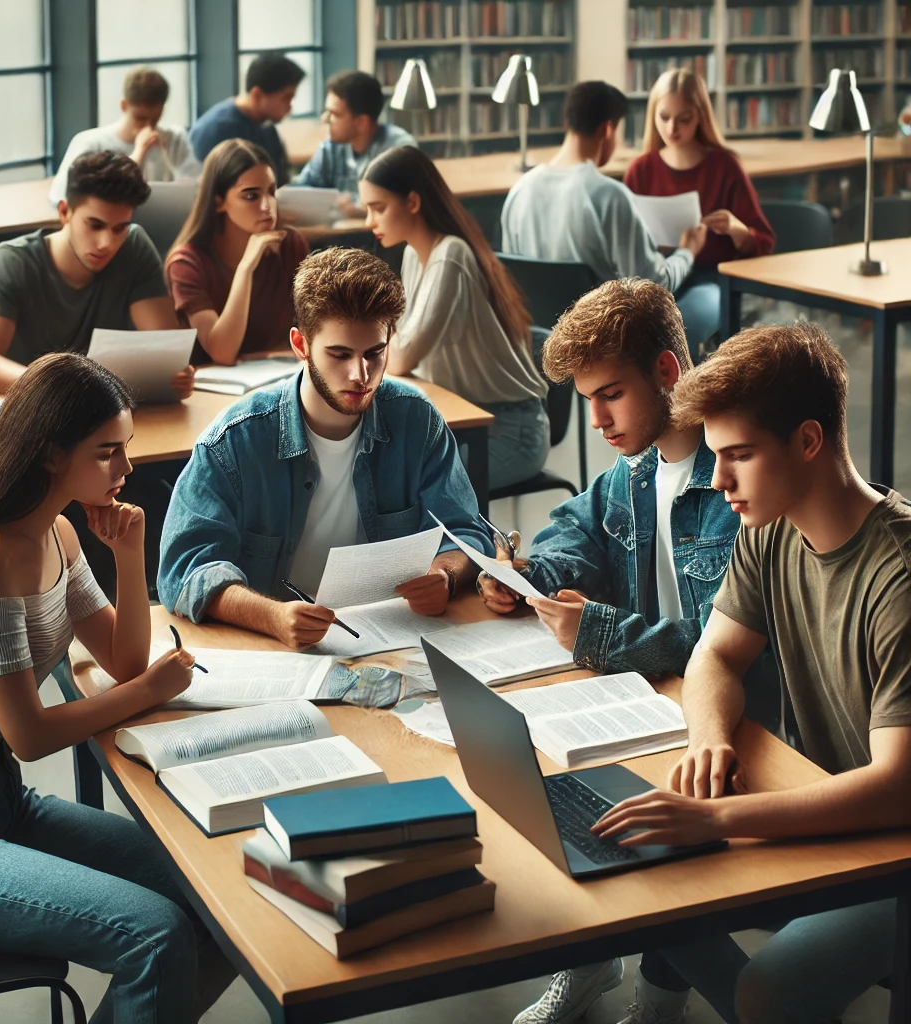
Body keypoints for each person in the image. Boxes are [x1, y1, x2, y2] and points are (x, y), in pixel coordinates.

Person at [0, 352, 237, 1022]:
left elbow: (125, 660)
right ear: (50, 454)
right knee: (156, 935)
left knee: (214, 888)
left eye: (124, 449)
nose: (126, 469)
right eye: (107, 452)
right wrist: (148, 690)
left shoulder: (60, 534)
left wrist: (129, 555)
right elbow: (29, 735)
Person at [588, 321, 911, 1024]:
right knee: (644, 884)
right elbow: (715, 654)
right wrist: (709, 739)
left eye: (739, 456)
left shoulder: (900, 580)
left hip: (898, 848)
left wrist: (716, 817)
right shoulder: (770, 527)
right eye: (714, 457)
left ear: (808, 441)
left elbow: (896, 788)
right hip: (837, 819)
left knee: (768, 991)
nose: (721, 481)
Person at [485, 277, 773, 1024]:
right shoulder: (634, 469)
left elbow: (725, 646)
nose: (597, 419)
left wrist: (601, 633)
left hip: (743, 722)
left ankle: (655, 995)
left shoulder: (739, 479)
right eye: (585, 399)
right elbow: (574, 530)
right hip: (655, 701)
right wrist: (526, 577)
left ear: (669, 373)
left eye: (609, 394)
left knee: (622, 811)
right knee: (548, 772)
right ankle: (593, 966)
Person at [158, 246, 491, 648]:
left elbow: (464, 530)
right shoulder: (233, 442)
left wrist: (445, 575)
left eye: (374, 353)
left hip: (390, 636)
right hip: (270, 644)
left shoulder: (418, 420)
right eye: (340, 354)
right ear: (301, 345)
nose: (360, 375)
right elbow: (185, 570)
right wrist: (273, 615)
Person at [360, 146, 550, 490]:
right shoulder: (413, 256)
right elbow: (399, 346)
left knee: (408, 485)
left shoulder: (450, 255)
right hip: (461, 420)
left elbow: (400, 358)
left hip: (508, 431)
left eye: (378, 208)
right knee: (379, 469)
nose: (369, 221)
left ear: (413, 202)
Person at [0, 150, 194, 399]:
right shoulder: (12, 260)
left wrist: (176, 376)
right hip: (30, 416)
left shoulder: (134, 246)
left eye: (120, 228)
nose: (106, 243)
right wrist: (58, 387)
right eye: (95, 225)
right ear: (64, 212)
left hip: (107, 415)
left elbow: (166, 352)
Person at [500, 81, 708, 353]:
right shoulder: (609, 195)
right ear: (607, 129)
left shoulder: (519, 191)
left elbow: (514, 281)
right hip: (601, 343)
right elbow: (654, 286)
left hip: (539, 342)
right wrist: (687, 252)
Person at [624, 69, 775, 356]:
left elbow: (763, 242)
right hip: (656, 278)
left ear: (700, 117)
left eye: (684, 119)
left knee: (681, 323)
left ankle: (684, 400)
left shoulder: (724, 166)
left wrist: (736, 229)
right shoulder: (640, 169)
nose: (672, 129)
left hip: (711, 278)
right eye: (664, 117)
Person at [166, 139, 309, 365]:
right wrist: (246, 269)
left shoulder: (291, 245)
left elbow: (313, 332)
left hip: (279, 375)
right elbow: (222, 351)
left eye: (271, 191)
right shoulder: (187, 263)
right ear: (219, 202)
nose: (267, 206)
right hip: (212, 388)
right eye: (251, 196)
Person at [48, 66, 201, 205]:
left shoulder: (175, 139)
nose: (148, 126)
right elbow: (60, 196)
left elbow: (196, 187)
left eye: (155, 119)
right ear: (124, 105)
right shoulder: (90, 143)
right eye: (140, 118)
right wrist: (138, 154)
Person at [293, 71, 416, 217]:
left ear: (362, 123)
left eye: (335, 114)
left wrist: (362, 212)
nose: (325, 119)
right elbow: (300, 188)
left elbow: (402, 205)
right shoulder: (329, 148)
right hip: (337, 236)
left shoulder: (398, 150)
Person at [190, 52, 306, 184]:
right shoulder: (215, 130)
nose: (290, 107)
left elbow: (280, 181)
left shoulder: (267, 128)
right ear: (257, 95)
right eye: (286, 98)